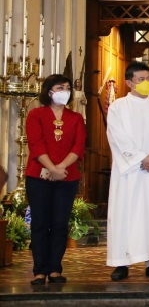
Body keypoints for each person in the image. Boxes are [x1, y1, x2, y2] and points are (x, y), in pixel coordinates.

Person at [106, 61, 149, 281]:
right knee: (125, 214)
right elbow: (118, 137)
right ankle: (122, 262)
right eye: (141, 80)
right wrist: (140, 158)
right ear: (129, 83)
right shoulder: (118, 107)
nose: (146, 83)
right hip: (129, 173)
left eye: (148, 78)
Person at [25, 74, 86, 285]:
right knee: (40, 223)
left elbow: (78, 147)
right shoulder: (36, 114)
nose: (65, 91)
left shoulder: (76, 118)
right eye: (60, 87)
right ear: (49, 90)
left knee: (60, 224)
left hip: (67, 177)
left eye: (67, 88)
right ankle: (39, 271)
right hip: (38, 176)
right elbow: (36, 144)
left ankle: (55, 269)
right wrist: (51, 168)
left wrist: (61, 168)